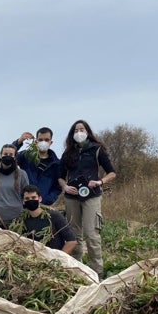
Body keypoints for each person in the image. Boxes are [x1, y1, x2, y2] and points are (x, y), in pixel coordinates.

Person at [58, 119, 116, 279]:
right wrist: (64, 187)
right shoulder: (68, 153)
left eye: (81, 129)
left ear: (87, 131)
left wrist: (100, 181)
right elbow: (60, 177)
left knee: (92, 234)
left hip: (92, 196)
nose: (79, 133)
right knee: (74, 235)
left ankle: (98, 273)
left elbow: (112, 172)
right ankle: (76, 270)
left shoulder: (97, 149)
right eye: (76, 130)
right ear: (72, 134)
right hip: (72, 197)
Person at [10, 185, 77, 254]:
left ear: (40, 199)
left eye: (33, 197)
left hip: (54, 257)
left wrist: (59, 259)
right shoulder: (22, 220)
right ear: (23, 201)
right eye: (27, 199)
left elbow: (71, 241)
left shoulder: (54, 216)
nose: (30, 200)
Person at [11, 127, 63, 206]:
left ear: (51, 142)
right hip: (24, 203)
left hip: (42, 206)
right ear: (36, 141)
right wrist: (19, 142)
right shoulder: (26, 156)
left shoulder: (56, 164)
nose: (43, 142)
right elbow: (9, 156)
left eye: (46, 140)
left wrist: (46, 201)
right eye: (40, 140)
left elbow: (58, 187)